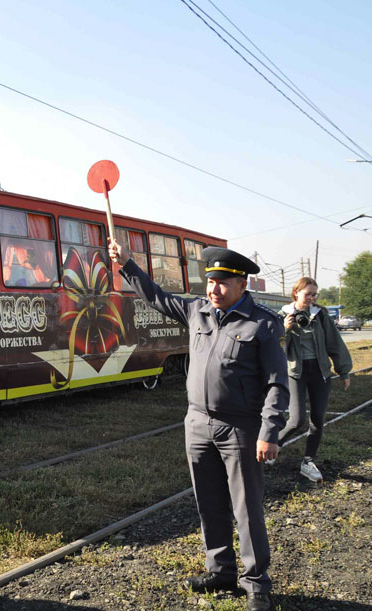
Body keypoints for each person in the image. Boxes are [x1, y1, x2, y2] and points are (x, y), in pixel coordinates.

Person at [109, 239, 288, 611]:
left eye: (222, 282)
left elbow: (277, 383)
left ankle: (256, 584)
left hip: (241, 428)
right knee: (208, 502)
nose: (214, 289)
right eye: (210, 281)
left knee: (246, 509)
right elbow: (156, 296)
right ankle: (220, 570)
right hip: (198, 424)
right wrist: (127, 264)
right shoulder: (197, 312)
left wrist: (268, 432)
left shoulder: (263, 325)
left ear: (243, 285)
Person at [274, 277, 352, 482]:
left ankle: (308, 461)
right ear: (296, 293)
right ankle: (273, 446)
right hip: (295, 372)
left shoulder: (320, 315)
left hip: (320, 372)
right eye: (308, 293)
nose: (311, 298)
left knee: (318, 420)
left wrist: (343, 371)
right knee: (296, 419)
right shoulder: (282, 315)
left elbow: (335, 342)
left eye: (314, 294)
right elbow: (274, 348)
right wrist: (285, 329)